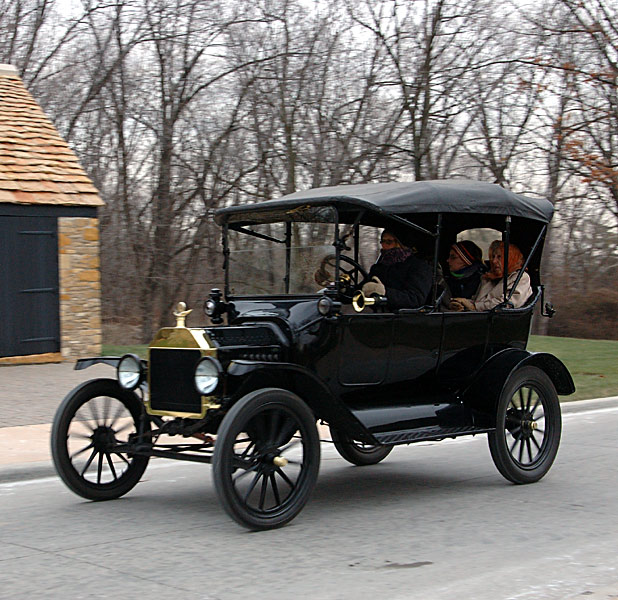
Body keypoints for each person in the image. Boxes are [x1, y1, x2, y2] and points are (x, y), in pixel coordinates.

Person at [449, 240, 532, 311]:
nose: (494, 261)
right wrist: (462, 304)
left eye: (499, 257)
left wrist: (475, 307)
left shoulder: (521, 278)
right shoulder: (488, 278)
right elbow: (477, 301)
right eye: (493, 257)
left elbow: (508, 304)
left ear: (511, 258)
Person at [362, 229, 433, 310]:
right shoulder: (378, 268)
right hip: (377, 317)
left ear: (401, 244)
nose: (384, 246)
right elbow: (362, 289)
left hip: (405, 319)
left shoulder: (419, 267)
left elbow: (416, 299)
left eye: (389, 242)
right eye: (382, 241)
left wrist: (385, 292)